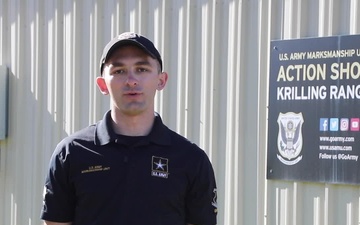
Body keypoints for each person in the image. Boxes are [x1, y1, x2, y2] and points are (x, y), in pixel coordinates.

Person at [40, 32, 218, 225]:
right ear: (102, 84)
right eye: (119, 71)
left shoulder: (190, 158)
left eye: (141, 69)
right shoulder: (71, 153)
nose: (131, 80)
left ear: (161, 80)